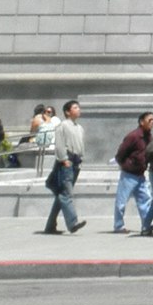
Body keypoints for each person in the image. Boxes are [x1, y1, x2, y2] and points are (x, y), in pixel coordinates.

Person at [43, 99, 87, 235]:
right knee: (66, 194)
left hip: (76, 162)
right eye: (75, 107)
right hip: (67, 162)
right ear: (68, 112)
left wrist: (81, 159)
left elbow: (81, 145)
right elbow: (60, 144)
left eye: (78, 107)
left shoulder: (79, 128)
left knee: (62, 195)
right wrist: (64, 159)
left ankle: (50, 225)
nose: (78, 109)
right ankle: (72, 223)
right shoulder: (63, 126)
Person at [113, 111, 153, 233]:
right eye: (149, 120)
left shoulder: (148, 137)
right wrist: (126, 165)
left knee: (145, 200)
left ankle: (146, 225)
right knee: (122, 201)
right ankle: (118, 226)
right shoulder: (133, 136)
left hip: (140, 174)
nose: (152, 123)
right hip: (129, 174)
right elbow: (121, 153)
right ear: (142, 122)